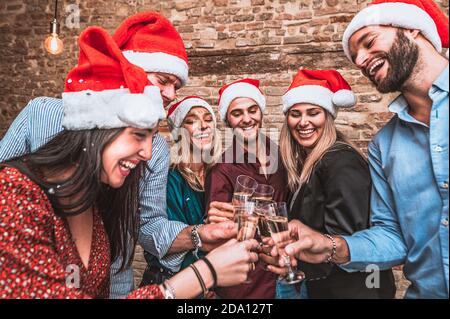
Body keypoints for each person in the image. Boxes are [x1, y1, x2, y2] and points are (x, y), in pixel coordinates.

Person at [0, 26, 259, 299]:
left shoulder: (98, 223)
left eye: (176, 86)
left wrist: (200, 234)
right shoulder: (17, 190)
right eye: (163, 80)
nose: (171, 94)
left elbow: (147, 224)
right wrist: (202, 274)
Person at [279, 0, 449, 299]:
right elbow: (391, 236)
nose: (360, 60)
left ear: (412, 28)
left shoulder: (340, 160)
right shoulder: (384, 145)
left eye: (369, 42)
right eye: (355, 55)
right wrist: (330, 246)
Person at [270, 68, 395, 298]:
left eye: (313, 113)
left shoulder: (340, 162)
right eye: (295, 113)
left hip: (355, 289)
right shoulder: (309, 162)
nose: (303, 122)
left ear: (327, 116)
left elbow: (356, 241)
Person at [205, 78, 287, 299]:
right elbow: (217, 235)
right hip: (245, 285)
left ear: (261, 112)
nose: (247, 119)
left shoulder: (282, 154)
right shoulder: (222, 169)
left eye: (252, 110)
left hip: (283, 276)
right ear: (228, 120)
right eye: (237, 113)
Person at [140, 96, 223, 293]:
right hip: (173, 285)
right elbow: (156, 244)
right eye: (192, 120)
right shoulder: (169, 179)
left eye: (208, 119)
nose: (203, 126)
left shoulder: (220, 175)